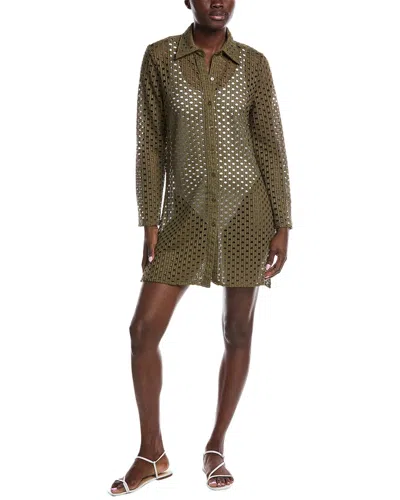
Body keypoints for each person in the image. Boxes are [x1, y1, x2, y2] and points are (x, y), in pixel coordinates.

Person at [108, 0, 293, 495]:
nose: (218, 2)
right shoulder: (160, 57)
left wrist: (283, 222)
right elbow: (150, 144)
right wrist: (150, 218)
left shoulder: (254, 64)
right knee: (143, 330)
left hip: (248, 214)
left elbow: (270, 144)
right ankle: (152, 452)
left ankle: (216, 446)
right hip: (183, 216)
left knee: (238, 330)